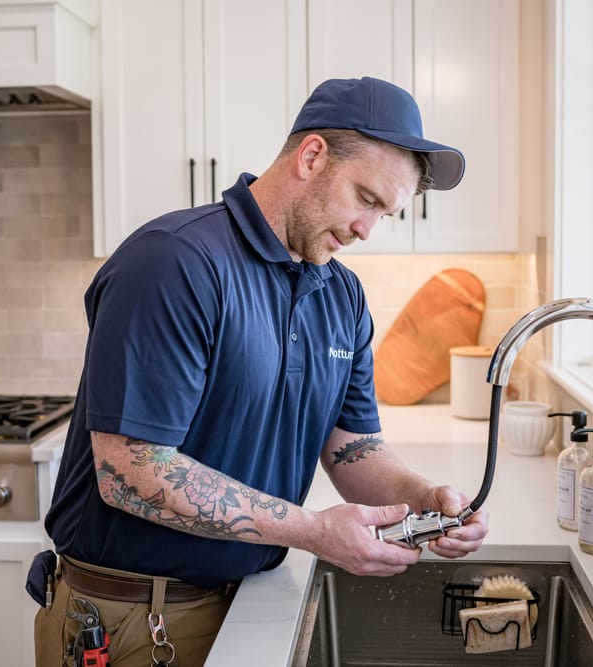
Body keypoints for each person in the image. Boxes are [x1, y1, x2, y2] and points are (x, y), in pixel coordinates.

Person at [29, 76, 489, 667]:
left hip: (253, 598)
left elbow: (353, 449)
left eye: (387, 214)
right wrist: (313, 531)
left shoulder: (341, 294)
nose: (366, 230)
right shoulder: (175, 262)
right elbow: (129, 472)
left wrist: (421, 501)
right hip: (133, 620)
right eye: (366, 199)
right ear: (313, 155)